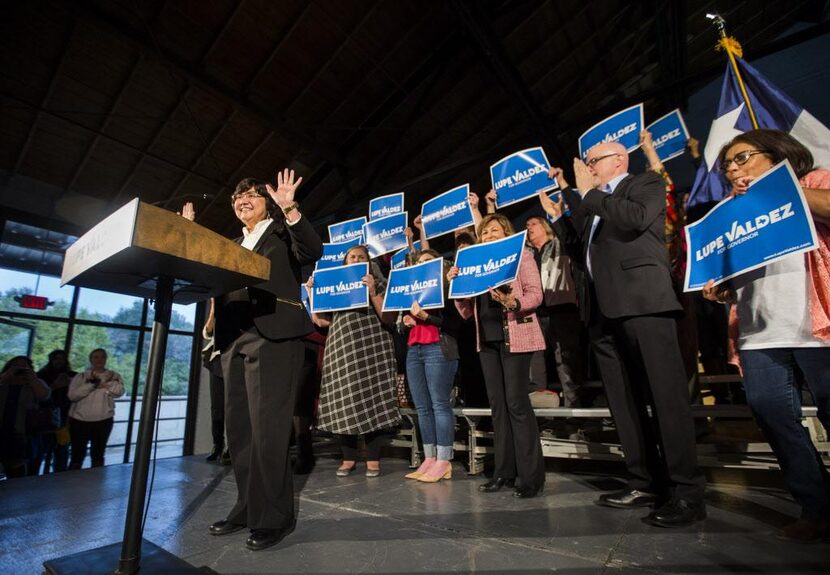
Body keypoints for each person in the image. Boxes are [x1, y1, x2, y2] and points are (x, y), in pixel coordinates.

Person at [540, 142, 706, 526]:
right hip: (602, 313)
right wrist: (561, 218)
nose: (588, 168)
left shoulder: (643, 184)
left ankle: (686, 491)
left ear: (619, 161)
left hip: (644, 304)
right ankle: (643, 480)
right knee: (624, 404)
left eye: (593, 161)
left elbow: (635, 219)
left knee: (666, 399)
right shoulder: (593, 202)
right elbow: (578, 246)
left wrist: (588, 193)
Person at [703, 129, 830, 543]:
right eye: (729, 165)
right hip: (760, 331)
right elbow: (730, 266)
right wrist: (720, 284)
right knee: (773, 417)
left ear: (777, 154)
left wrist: (781, 188)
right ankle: (817, 509)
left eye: (743, 158)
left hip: (816, 325)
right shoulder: (731, 210)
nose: (734, 169)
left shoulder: (813, 182)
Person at [204, 170, 323, 551]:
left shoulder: (282, 233)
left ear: (266, 201)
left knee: (269, 431)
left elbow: (312, 250)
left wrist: (291, 209)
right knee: (238, 432)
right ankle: (246, 508)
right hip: (233, 340)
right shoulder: (234, 242)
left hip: (273, 337)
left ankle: (274, 517)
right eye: (238, 197)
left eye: (252, 195)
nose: (243, 200)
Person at [448, 214, 546, 498]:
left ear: (506, 232)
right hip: (487, 342)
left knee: (516, 403)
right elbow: (466, 311)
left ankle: (531, 478)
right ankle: (504, 472)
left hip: (516, 334)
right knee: (498, 407)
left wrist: (513, 302)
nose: (488, 234)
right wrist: (457, 284)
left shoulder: (522, 256)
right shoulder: (475, 263)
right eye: (485, 231)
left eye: (494, 229)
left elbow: (535, 294)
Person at [309, 245, 401, 477]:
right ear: (345, 263)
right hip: (341, 351)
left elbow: (389, 318)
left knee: (374, 400)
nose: (357, 260)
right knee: (343, 401)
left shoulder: (380, 284)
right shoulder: (334, 285)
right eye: (352, 257)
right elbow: (320, 321)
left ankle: (373, 458)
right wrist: (313, 294)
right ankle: (348, 458)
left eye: (362, 257)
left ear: (369, 263)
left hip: (373, 351)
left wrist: (372, 291)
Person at [402, 249, 461, 483]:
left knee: (439, 404)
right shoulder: (414, 292)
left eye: (428, 261)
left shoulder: (449, 287)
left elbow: (455, 323)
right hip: (414, 349)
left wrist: (426, 316)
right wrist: (407, 319)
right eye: (420, 262)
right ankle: (429, 457)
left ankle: (444, 460)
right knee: (422, 407)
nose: (423, 265)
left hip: (439, 346)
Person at [524, 210, 586, 413]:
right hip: (536, 314)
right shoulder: (528, 254)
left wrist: (556, 213)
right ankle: (542, 413)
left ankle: (574, 411)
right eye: (527, 225)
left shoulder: (558, 245)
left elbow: (567, 232)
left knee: (566, 361)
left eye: (533, 223)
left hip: (562, 311)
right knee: (535, 364)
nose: (529, 227)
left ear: (545, 227)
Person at [67, 348, 125, 470]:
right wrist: (92, 385)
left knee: (98, 454)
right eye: (96, 357)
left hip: (103, 420)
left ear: (106, 359)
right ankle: (71, 482)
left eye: (102, 357)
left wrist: (105, 384)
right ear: (90, 359)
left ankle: (97, 480)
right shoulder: (81, 377)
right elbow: (72, 395)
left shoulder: (114, 376)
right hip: (79, 421)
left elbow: (119, 392)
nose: (99, 360)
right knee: (77, 454)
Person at [0, 356, 50, 478]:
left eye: (24, 366)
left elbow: (44, 395)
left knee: (16, 470)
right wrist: (5, 377)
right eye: (17, 366)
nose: (20, 369)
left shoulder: (33, 384)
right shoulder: (3, 382)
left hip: (20, 433)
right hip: (1, 430)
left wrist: (33, 379)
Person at [32, 350, 76, 473]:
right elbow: (37, 396)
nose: (59, 361)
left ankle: (59, 476)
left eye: (62, 358)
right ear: (51, 360)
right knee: (42, 450)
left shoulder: (72, 376)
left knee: (62, 450)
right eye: (56, 358)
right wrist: (55, 386)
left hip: (65, 416)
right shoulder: (41, 375)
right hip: (45, 417)